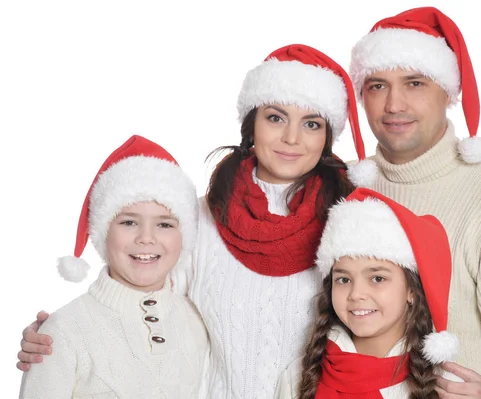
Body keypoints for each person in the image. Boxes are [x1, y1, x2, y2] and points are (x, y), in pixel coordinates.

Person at [16, 44, 372, 399]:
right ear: (251, 124)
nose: (292, 138)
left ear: (327, 137)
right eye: (275, 117)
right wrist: (61, 339)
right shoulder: (198, 220)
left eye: (312, 124)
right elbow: (141, 300)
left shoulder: (352, 221)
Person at [348, 6, 481, 397]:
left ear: (448, 92)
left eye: (414, 83)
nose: (394, 104)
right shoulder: (345, 189)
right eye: (377, 85)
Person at [18, 135, 210, 398]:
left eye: (164, 224)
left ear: (185, 236)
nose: (146, 237)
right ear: (103, 230)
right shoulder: (64, 332)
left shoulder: (196, 322)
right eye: (129, 222)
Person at [275, 187, 470, 398]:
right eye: (344, 279)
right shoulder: (299, 376)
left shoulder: (450, 387)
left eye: (377, 278)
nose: (356, 294)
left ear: (411, 290)